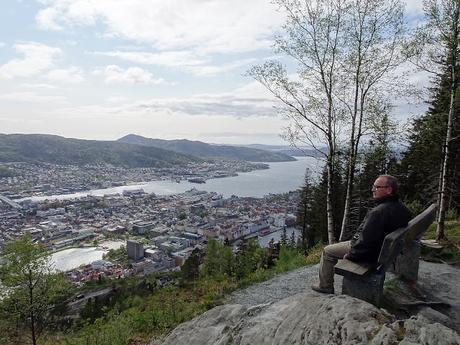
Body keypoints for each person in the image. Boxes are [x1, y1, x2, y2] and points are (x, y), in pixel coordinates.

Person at [311, 174, 411, 294]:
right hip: (382, 252)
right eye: (373, 186)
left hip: (370, 255)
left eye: (377, 187)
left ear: (389, 190)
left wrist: (351, 255)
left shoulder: (378, 212)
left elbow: (365, 243)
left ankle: (325, 286)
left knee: (327, 251)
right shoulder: (402, 209)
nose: (372, 189)